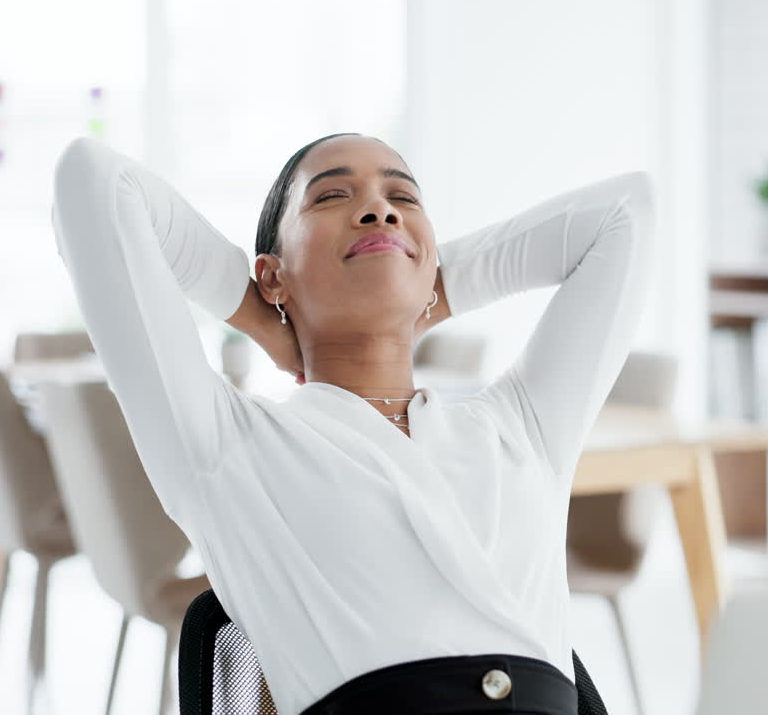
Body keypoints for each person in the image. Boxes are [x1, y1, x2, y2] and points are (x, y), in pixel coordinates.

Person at [50, 133, 654, 715]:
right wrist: (259, 316)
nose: (378, 210)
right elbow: (96, 183)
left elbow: (628, 212)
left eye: (403, 199)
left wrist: (435, 284)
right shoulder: (227, 448)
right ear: (272, 275)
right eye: (334, 196)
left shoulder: (521, 429)